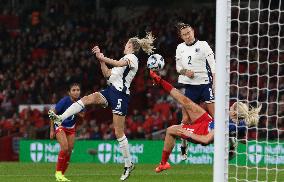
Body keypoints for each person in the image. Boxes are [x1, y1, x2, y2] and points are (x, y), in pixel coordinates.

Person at [48, 32, 155, 181]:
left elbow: (118, 64)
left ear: (130, 45)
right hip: (110, 91)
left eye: (126, 44)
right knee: (87, 99)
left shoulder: (132, 58)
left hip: (120, 96)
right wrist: (100, 59)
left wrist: (102, 57)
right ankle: (60, 118)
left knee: (118, 132)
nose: (124, 46)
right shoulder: (123, 60)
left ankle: (128, 164)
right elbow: (107, 74)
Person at [148, 70, 261, 173]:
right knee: (185, 101)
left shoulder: (226, 125)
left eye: (231, 108)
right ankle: (160, 81)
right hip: (208, 121)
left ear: (235, 114)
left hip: (202, 132)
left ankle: (163, 164)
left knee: (170, 130)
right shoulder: (238, 125)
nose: (229, 108)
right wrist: (233, 141)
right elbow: (244, 140)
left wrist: (188, 133)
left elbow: (206, 140)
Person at [175, 22, 216, 159]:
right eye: (184, 34)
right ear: (181, 37)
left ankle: (229, 141)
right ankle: (183, 146)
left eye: (189, 33)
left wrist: (214, 84)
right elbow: (178, 67)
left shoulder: (203, 45)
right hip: (190, 87)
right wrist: (185, 71)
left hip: (205, 85)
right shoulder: (180, 48)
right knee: (185, 118)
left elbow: (213, 66)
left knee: (216, 116)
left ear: (193, 31)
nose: (187, 36)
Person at [50, 83, 85, 182]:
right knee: (64, 148)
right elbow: (52, 113)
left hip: (71, 128)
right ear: (69, 92)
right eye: (73, 90)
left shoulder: (81, 102)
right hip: (60, 126)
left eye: (78, 90)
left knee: (69, 151)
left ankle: (62, 175)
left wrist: (75, 109)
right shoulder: (64, 101)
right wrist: (52, 130)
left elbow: (82, 115)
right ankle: (58, 173)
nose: (76, 92)